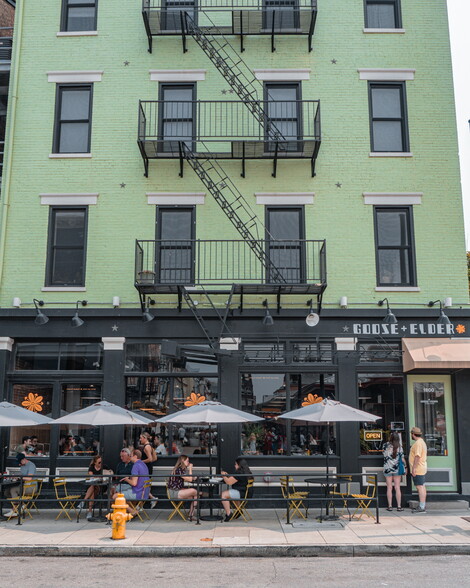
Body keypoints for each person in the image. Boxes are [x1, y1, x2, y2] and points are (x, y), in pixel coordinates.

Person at [114, 449, 150, 517]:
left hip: (137, 493)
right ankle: (128, 511)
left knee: (115, 496)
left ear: (135, 456)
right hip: (145, 492)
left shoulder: (135, 466)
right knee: (122, 492)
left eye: (131, 456)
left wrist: (127, 479)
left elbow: (134, 483)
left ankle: (132, 511)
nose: (130, 457)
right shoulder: (143, 464)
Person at [4, 453, 38, 518]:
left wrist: (19, 477)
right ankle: (21, 505)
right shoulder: (22, 465)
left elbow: (29, 478)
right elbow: (22, 477)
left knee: (13, 490)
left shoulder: (31, 465)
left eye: (20, 462)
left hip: (31, 487)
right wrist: (16, 477)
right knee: (6, 492)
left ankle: (15, 510)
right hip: (24, 486)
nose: (20, 464)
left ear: (24, 459)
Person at [167, 455, 198, 521]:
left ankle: (191, 514)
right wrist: (190, 469)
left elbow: (187, 478)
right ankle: (190, 515)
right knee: (194, 491)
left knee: (195, 496)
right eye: (187, 461)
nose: (189, 463)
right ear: (183, 461)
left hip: (177, 491)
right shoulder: (179, 470)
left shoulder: (180, 469)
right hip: (174, 493)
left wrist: (192, 477)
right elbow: (189, 480)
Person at [82, 455, 112, 521]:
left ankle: (84, 502)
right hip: (94, 486)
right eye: (99, 462)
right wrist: (99, 477)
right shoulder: (92, 467)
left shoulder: (104, 467)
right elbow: (91, 476)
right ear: (95, 462)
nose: (100, 464)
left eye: (101, 462)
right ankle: (89, 511)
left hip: (102, 487)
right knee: (92, 489)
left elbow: (110, 473)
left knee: (92, 487)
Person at [383, 431, 406, 511]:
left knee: (389, 487)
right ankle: (399, 506)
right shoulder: (400, 447)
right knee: (397, 487)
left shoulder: (385, 445)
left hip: (387, 468)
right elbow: (402, 459)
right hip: (396, 469)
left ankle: (390, 506)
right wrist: (405, 466)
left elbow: (384, 455)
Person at [409, 426, 428, 513]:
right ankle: (422, 505)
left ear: (413, 434)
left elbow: (417, 456)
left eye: (411, 434)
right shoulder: (421, 442)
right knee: (422, 486)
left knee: (420, 487)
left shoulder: (418, 444)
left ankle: (422, 507)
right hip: (421, 467)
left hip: (418, 468)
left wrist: (414, 469)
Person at [139, 432, 158, 507]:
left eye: (141, 438)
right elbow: (155, 458)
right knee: (145, 485)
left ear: (144, 438)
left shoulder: (146, 447)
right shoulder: (150, 446)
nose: (140, 439)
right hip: (149, 468)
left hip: (145, 468)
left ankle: (151, 498)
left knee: (142, 485)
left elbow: (150, 459)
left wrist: (140, 461)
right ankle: (149, 499)